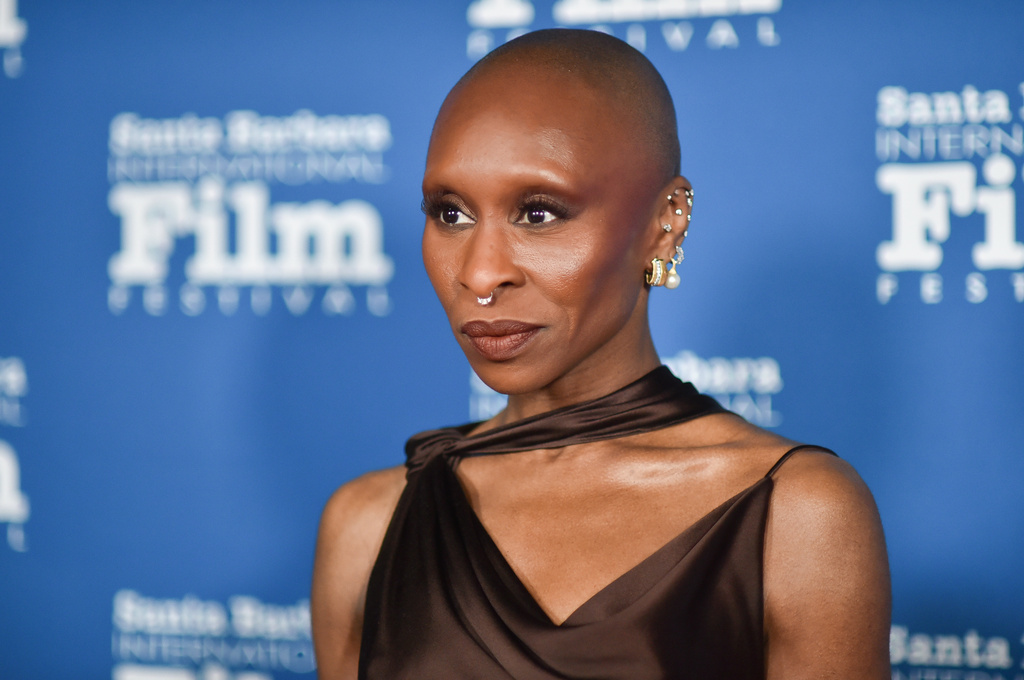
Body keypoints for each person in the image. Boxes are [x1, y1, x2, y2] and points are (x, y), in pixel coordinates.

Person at [311, 28, 890, 679]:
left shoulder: (794, 512)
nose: (479, 274)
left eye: (538, 213)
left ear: (664, 223)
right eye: (450, 213)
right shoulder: (367, 525)